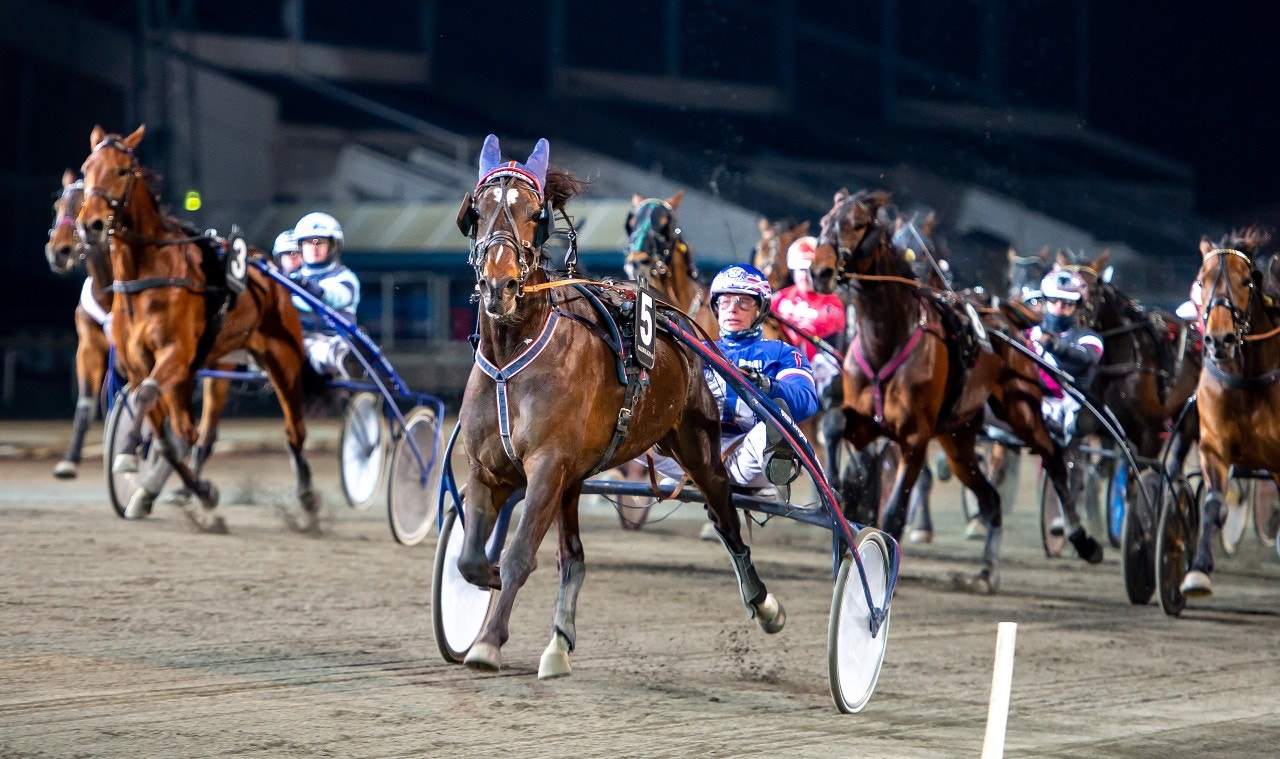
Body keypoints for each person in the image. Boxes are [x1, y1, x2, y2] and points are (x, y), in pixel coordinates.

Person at [648, 264, 820, 527]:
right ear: (716, 308)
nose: (732, 309)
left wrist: (767, 385)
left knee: (775, 426)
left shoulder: (782, 353)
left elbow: (805, 401)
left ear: (760, 309)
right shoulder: (694, 350)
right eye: (725, 302)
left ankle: (774, 467)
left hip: (748, 461)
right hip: (695, 457)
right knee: (635, 421)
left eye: (743, 303)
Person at [1028, 269, 1104, 441]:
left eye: (1067, 303)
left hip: (1068, 410)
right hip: (1029, 398)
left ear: (1077, 306)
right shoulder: (1027, 334)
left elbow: (1084, 358)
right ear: (1045, 300)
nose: (1059, 307)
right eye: (1053, 300)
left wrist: (1054, 346)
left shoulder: (1090, 338)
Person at [289, 211, 363, 379]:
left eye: (319, 242)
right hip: (297, 339)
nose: (314, 247)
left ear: (332, 246)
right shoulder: (290, 278)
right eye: (309, 242)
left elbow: (330, 297)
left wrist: (304, 286)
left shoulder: (345, 277)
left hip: (332, 339)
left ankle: (345, 361)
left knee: (316, 349)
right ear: (300, 246)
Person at [771, 236, 845, 400]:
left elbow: (822, 328)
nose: (804, 276)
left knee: (834, 392)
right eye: (799, 270)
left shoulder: (832, 301)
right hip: (783, 362)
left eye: (808, 270)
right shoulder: (778, 299)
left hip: (820, 367)